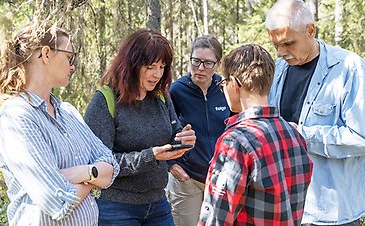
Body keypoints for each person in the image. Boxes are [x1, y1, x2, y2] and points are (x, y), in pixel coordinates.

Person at [266, 0, 365, 225]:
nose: (281, 52)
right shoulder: (279, 69)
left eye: (288, 43)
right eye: (276, 46)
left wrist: (302, 135)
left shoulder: (349, 68)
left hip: (331, 213)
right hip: (286, 206)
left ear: (310, 30)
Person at [0, 22, 120, 225]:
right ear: (46, 54)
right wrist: (93, 176)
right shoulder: (15, 117)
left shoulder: (67, 112)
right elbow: (58, 201)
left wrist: (78, 173)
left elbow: (111, 167)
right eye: (69, 57)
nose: (72, 66)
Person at [84, 29, 196, 225]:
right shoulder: (105, 101)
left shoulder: (161, 97)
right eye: (151, 67)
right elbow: (100, 163)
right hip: (116, 207)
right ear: (131, 65)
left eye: (162, 67)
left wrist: (182, 139)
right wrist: (149, 157)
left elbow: (172, 134)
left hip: (158, 203)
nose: (157, 74)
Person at [198, 44, 313, 225]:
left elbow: (216, 217)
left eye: (223, 83)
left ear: (235, 84)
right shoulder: (294, 135)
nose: (223, 89)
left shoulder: (235, 142)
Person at [166, 35, 230, 226]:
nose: (200, 68)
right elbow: (161, 129)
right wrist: (171, 164)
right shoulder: (176, 90)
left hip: (221, 180)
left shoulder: (225, 89)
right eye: (196, 61)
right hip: (187, 178)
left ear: (217, 64)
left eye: (208, 63)